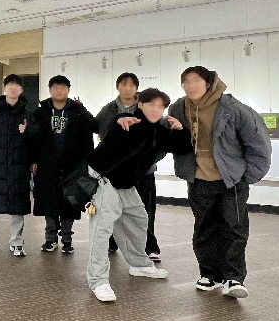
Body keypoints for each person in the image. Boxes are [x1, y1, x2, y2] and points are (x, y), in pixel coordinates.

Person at [167, 66, 272, 299]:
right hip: (198, 179)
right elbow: (170, 139)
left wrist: (246, 176)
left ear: (208, 83)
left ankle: (233, 278)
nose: (190, 85)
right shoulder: (178, 108)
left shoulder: (232, 108)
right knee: (204, 228)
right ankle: (209, 274)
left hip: (230, 181)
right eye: (186, 81)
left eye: (196, 80)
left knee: (233, 228)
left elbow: (258, 142)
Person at [83, 88, 192, 302]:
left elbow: (181, 146)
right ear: (140, 105)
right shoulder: (130, 122)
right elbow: (115, 126)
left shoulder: (158, 131)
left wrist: (180, 130)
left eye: (160, 107)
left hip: (124, 183)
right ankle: (98, 280)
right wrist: (119, 119)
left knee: (138, 218)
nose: (156, 110)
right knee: (102, 226)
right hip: (103, 177)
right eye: (151, 105)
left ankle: (139, 264)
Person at [27, 75, 98, 254]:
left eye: (63, 87)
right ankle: (50, 239)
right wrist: (33, 159)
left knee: (70, 201)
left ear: (68, 90)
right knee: (48, 201)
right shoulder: (41, 112)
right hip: (46, 164)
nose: (59, 91)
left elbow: (93, 127)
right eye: (56, 88)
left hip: (72, 165)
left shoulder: (77, 112)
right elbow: (33, 138)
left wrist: (82, 108)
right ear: (50, 90)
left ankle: (67, 239)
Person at [96, 73, 162, 262]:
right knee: (113, 208)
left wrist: (149, 160)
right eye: (123, 84)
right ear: (118, 87)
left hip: (143, 172)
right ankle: (113, 242)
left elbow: (160, 139)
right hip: (116, 171)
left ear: (136, 88)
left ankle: (149, 247)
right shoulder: (108, 109)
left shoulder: (147, 107)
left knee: (144, 211)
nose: (127, 88)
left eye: (131, 85)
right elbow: (99, 130)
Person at [0, 74, 34, 257]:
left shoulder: (28, 115)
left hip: (19, 167)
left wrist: (28, 133)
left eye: (17, 85)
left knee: (18, 206)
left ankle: (17, 242)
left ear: (21, 90)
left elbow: (36, 142)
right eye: (10, 85)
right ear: (4, 88)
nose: (13, 88)